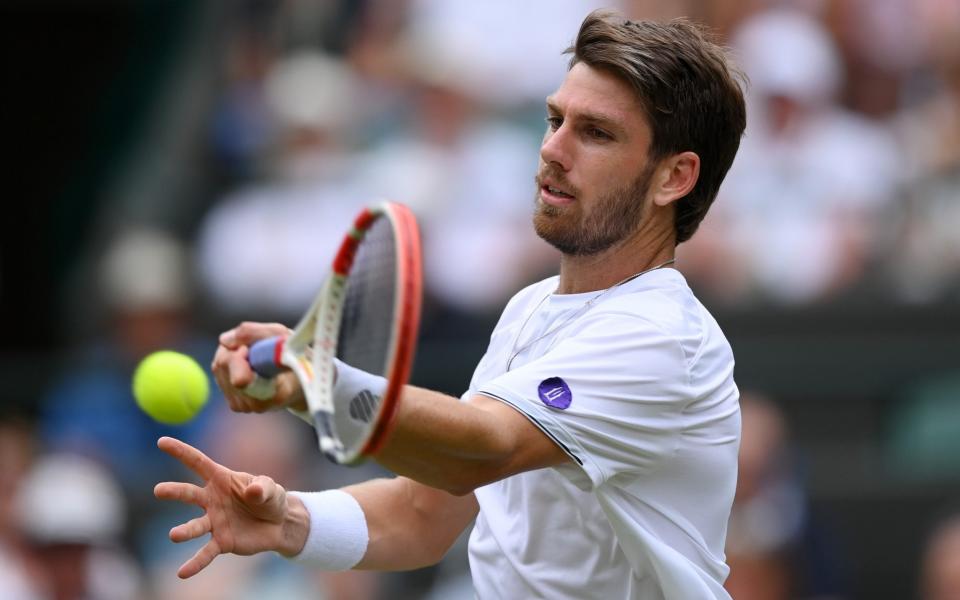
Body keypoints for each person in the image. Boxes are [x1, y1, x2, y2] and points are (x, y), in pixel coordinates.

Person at [155, 10, 747, 599]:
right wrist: (286, 522)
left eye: (596, 133)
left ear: (674, 177)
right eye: (554, 119)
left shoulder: (661, 335)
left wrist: (317, 381)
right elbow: (422, 513)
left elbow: (483, 448)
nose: (552, 150)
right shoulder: (529, 308)